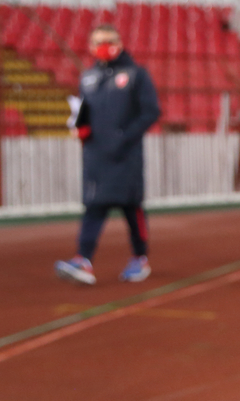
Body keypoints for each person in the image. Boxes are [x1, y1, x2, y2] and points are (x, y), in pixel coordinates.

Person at [55, 25, 161, 285]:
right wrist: (81, 127)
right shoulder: (88, 78)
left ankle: (140, 258)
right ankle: (83, 260)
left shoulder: (136, 75)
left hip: (126, 156)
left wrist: (124, 136)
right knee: (93, 207)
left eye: (109, 40)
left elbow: (151, 112)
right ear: (90, 47)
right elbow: (83, 111)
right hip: (95, 156)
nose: (103, 45)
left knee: (131, 208)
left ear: (120, 42)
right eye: (98, 42)